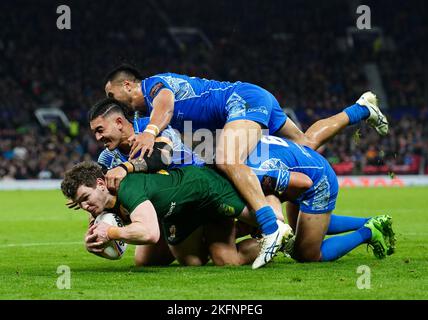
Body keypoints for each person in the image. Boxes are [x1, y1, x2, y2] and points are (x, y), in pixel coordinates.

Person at [104, 64, 389, 268]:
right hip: (251, 98)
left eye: (112, 96)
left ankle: (270, 227)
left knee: (228, 159)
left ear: (127, 85)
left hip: (241, 101)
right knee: (306, 144)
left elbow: (165, 105)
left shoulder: (154, 87)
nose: (110, 102)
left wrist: (151, 131)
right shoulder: (147, 112)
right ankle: (361, 109)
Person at [61, 161, 298, 267]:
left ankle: (271, 202)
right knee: (192, 262)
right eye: (79, 203)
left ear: (101, 184)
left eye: (85, 199)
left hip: (206, 190)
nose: (84, 207)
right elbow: (116, 251)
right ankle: (225, 236)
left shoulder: (128, 188)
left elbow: (151, 234)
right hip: (181, 214)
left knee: (273, 224)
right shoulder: (101, 205)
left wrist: (111, 232)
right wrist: (93, 245)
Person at [245, 135, 396, 262]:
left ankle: (368, 232)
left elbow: (304, 183)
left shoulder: (252, 170)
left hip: (317, 180)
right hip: (304, 166)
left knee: (306, 254)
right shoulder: (242, 140)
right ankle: (369, 221)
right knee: (303, 228)